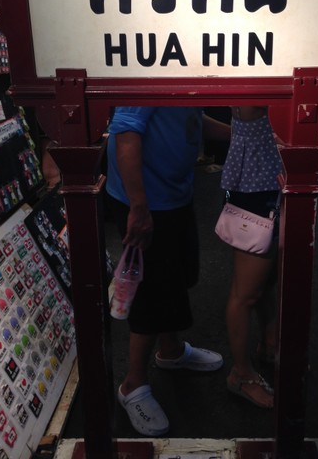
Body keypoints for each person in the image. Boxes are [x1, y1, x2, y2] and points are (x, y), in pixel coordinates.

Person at [106, 106, 231, 436]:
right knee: (151, 291)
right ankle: (132, 385)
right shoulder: (143, 76)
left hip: (174, 194)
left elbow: (191, 118)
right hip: (146, 200)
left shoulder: (187, 78)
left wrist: (240, 134)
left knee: (176, 278)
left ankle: (171, 351)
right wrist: (138, 207)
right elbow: (126, 135)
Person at [220, 105, 283, 409]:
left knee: (267, 279)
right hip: (255, 183)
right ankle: (241, 375)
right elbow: (250, 108)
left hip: (273, 177)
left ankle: (269, 346)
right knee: (245, 293)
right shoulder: (252, 85)